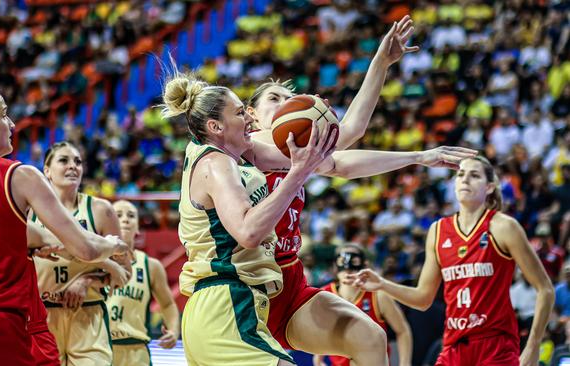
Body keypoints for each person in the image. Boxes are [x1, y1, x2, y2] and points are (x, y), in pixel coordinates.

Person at [246, 15, 476, 361]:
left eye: (291, 99)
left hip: (288, 279)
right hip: (246, 281)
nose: (287, 105)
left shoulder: (297, 154)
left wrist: (418, 154)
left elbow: (343, 156)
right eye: (276, 99)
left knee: (369, 336)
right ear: (250, 115)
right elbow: (347, 134)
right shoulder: (247, 146)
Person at [0, 71, 127, 365]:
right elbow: (86, 249)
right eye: (3, 115)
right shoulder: (18, 175)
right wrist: (112, 244)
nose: (12, 124)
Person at [162, 71, 336, 365]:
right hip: (226, 305)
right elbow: (248, 232)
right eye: (240, 113)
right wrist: (297, 175)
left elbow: (325, 161)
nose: (249, 120)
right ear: (215, 126)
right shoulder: (217, 163)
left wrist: (317, 126)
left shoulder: (226, 155)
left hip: (223, 306)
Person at [352, 156, 555, 366]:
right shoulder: (438, 231)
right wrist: (382, 284)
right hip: (453, 345)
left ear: (489, 187)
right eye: (460, 174)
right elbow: (423, 299)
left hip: (495, 345)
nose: (465, 179)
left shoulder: (503, 227)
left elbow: (545, 289)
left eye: (474, 175)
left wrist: (533, 345)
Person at [32, 141, 131, 366]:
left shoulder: (101, 210)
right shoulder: (30, 210)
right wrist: (104, 262)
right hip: (42, 316)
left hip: (88, 313)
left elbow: (124, 272)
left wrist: (87, 280)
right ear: (46, 170)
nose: (73, 166)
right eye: (64, 160)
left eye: (77, 161)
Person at [106, 200, 180, 366]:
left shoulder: (150, 265)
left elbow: (167, 304)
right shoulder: (95, 261)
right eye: (118, 215)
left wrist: (174, 330)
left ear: (138, 227)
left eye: (131, 216)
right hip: (100, 348)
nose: (125, 219)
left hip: (136, 351)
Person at [314, 245, 413, 366]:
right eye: (342, 261)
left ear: (364, 265)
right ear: (335, 266)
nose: (348, 268)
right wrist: (318, 358)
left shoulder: (378, 296)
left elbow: (402, 331)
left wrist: (405, 363)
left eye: (354, 261)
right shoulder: (324, 295)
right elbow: (322, 331)